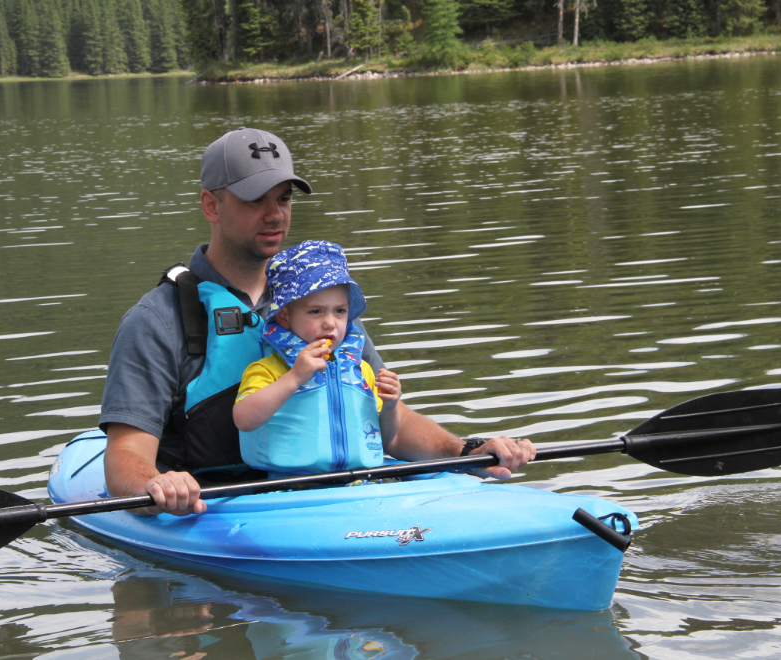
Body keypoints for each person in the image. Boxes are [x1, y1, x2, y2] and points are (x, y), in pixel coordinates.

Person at [100, 127, 535, 516]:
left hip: (329, 503)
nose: (275, 215)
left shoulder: (323, 305)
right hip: (215, 508)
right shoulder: (156, 320)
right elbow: (126, 454)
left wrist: (466, 450)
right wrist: (157, 484)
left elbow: (390, 423)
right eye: (255, 200)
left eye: (284, 198)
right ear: (211, 205)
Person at [233, 240, 402, 475]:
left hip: (359, 483)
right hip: (289, 487)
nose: (330, 322)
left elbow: (385, 436)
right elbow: (243, 419)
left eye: (340, 311)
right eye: (316, 311)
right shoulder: (268, 370)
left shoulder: (362, 371)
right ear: (284, 317)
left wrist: (392, 406)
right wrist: (294, 377)